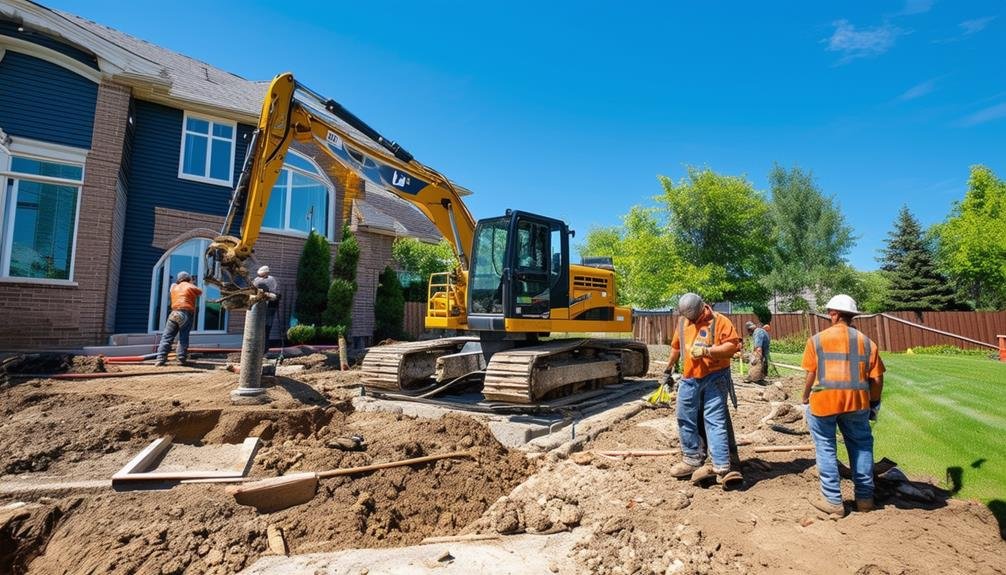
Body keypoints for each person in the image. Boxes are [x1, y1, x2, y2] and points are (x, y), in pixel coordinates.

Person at [801, 294, 885, 516]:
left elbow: (811, 374)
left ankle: (833, 501)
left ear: (834, 314)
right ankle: (865, 500)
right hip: (857, 402)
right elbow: (877, 380)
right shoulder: (867, 342)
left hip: (823, 402)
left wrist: (804, 397)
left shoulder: (816, 340)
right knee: (861, 446)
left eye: (830, 313)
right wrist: (873, 402)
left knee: (826, 447)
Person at [665, 293, 743, 487]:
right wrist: (668, 368)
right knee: (685, 416)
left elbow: (732, 347)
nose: (690, 320)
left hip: (715, 377)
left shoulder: (719, 321)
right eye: (687, 316)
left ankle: (722, 466)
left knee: (714, 419)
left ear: (702, 308)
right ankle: (691, 459)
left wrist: (708, 351)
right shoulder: (683, 322)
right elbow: (676, 347)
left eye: (693, 316)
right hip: (690, 377)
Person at [155, 271, 203, 366]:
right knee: (183, 336)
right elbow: (200, 292)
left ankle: (160, 358)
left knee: (167, 336)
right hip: (185, 313)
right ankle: (181, 358)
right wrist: (192, 283)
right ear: (188, 279)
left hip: (174, 313)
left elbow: (173, 289)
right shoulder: (190, 286)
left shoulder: (174, 287)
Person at [252, 265, 280, 354]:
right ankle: (263, 350)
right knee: (265, 329)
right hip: (267, 306)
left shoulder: (267, 280)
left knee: (264, 329)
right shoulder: (268, 280)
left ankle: (263, 350)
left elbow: (273, 293)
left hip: (268, 307)